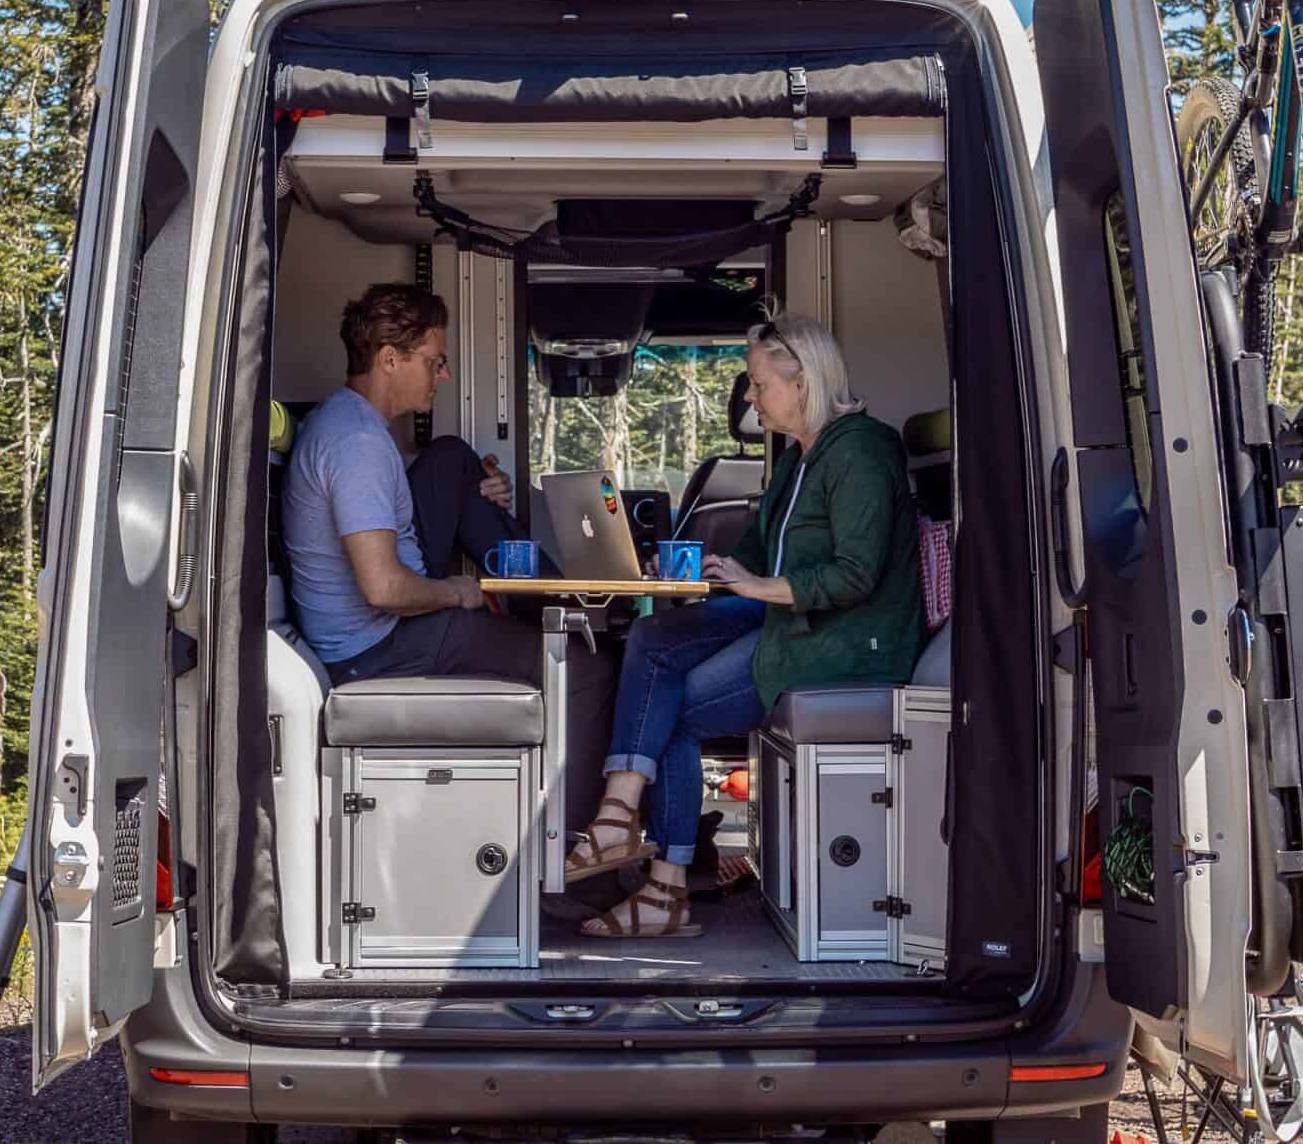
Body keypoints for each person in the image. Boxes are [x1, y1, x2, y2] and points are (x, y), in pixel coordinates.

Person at [566, 309, 923, 938]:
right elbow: (761, 552)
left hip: (841, 642)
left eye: (759, 384)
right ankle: (620, 820)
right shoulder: (794, 457)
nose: (751, 398)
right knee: (653, 638)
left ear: (804, 382)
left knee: (666, 710)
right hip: (787, 616)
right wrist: (707, 567)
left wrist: (761, 586)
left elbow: (856, 576)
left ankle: (662, 889)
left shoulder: (863, 451)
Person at [282, 283, 616, 823]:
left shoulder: (352, 423)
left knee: (454, 458)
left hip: (377, 632)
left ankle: (563, 604)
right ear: (390, 359)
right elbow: (384, 589)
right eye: (435, 362)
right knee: (588, 671)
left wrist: (475, 493)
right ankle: (577, 863)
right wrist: (456, 593)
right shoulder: (356, 444)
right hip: (377, 648)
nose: (444, 375)